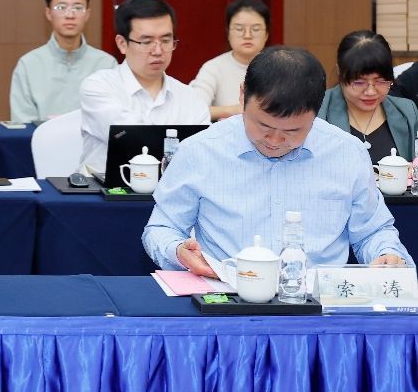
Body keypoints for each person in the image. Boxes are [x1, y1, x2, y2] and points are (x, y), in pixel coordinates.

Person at [144, 46, 410, 273]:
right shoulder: (199, 151)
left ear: (316, 112)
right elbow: (162, 228)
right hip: (225, 296)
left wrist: (386, 254)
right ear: (242, 95)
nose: (274, 140)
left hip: (319, 302)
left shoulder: (347, 153)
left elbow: (373, 231)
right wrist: (177, 250)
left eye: (292, 131)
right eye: (263, 126)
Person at [79, 0, 209, 175]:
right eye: (146, 42)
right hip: (103, 191)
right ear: (122, 44)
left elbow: (203, 152)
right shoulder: (99, 86)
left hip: (173, 190)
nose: (158, 51)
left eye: (166, 41)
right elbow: (129, 138)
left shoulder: (190, 97)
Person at [9, 0, 117, 123]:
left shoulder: (106, 64)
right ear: (48, 14)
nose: (70, 15)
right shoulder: (28, 65)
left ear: (87, 14)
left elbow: (112, 118)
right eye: (61, 7)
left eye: (78, 8)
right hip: (41, 138)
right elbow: (23, 122)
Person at [317, 30, 418, 164]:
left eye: (380, 81)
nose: (371, 92)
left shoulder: (406, 111)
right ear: (340, 72)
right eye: (359, 82)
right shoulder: (318, 109)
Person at [191, 0, 270, 121]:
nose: (247, 35)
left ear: (266, 35)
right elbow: (193, 109)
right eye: (239, 29)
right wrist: (235, 110)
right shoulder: (213, 68)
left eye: (255, 29)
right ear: (228, 33)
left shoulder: (278, 67)